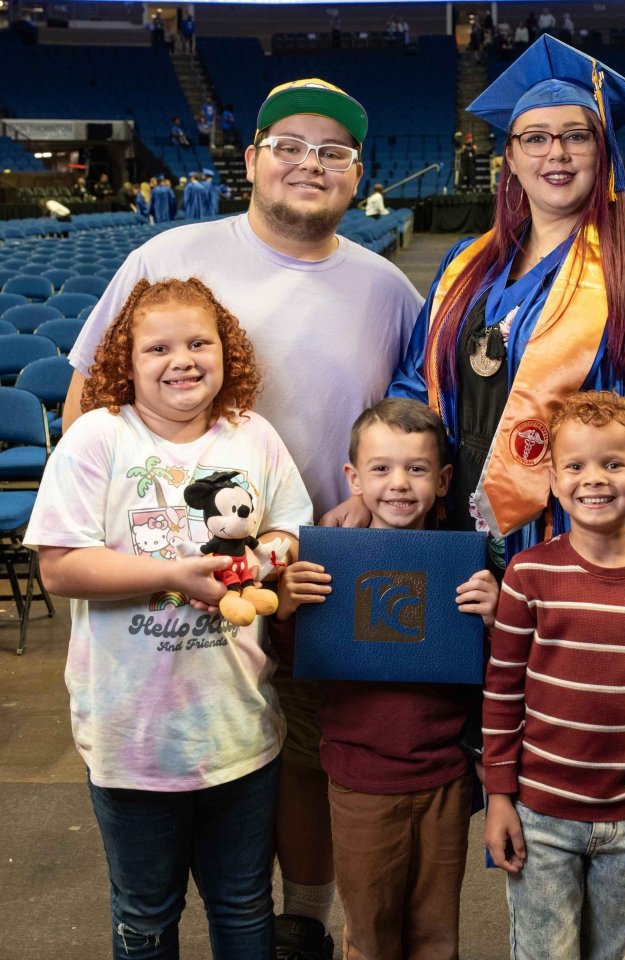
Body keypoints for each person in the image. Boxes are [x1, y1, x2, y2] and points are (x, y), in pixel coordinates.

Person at [63, 77, 423, 960]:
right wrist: (129, 543)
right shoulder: (174, 252)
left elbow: (411, 429)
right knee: (181, 764)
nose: (311, 164)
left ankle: (301, 923)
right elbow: (87, 398)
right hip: (162, 590)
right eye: (290, 146)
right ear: (254, 159)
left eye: (333, 152)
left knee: (302, 758)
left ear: (358, 173)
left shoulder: (387, 290)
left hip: (314, 570)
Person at [382, 34, 625, 650]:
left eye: (576, 135)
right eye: (536, 137)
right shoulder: (465, 266)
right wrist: (378, 479)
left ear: (603, 152)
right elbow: (415, 385)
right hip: (460, 535)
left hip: (583, 535)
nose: (556, 152)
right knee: (475, 714)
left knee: (577, 713)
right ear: (512, 158)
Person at [25, 277, 314, 959]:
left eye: (198, 343)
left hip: (238, 729)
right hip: (133, 740)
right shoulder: (98, 439)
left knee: (244, 906)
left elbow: (291, 529)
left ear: (226, 352)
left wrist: (266, 558)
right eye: (156, 348)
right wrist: (172, 575)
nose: (180, 359)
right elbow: (61, 567)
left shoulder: (254, 435)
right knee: (147, 915)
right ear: (125, 361)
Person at [484, 390, 625, 959]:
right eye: (576, 465)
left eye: (614, 464)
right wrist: (498, 796)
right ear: (555, 481)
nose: (595, 479)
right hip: (541, 815)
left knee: (615, 952)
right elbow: (503, 692)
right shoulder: (528, 574)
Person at [275, 397, 498, 959]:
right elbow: (301, 661)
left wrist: (499, 620)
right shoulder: (329, 565)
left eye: (417, 469)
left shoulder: (469, 568)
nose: (398, 484)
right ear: (352, 478)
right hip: (361, 779)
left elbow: (498, 673)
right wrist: (284, 608)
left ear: (444, 479)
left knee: (436, 933)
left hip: (445, 775)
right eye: (380, 469)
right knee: (370, 935)